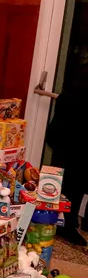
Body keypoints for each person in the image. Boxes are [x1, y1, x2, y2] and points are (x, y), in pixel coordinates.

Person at [46, 85, 88, 247]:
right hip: (71, 139)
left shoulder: (75, 88)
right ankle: (65, 224)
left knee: (73, 182)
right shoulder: (77, 92)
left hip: (67, 138)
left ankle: (66, 221)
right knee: (72, 183)